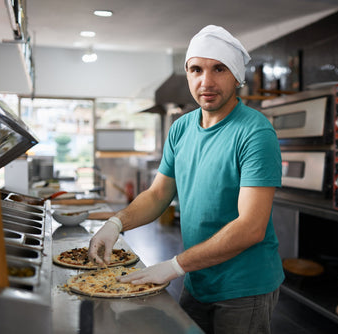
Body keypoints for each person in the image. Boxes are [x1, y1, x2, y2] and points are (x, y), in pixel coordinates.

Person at [88, 24, 284, 334]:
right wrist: (115, 224)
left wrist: (174, 266)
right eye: (196, 69)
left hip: (243, 286)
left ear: (236, 77)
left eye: (218, 69)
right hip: (198, 278)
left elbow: (251, 228)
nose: (206, 81)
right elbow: (157, 196)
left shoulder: (254, 133)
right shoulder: (181, 128)